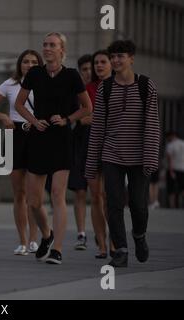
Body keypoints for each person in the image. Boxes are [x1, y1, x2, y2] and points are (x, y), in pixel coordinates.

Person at [14, 32, 92, 265]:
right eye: (45, 45)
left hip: (61, 139)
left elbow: (87, 107)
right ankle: (46, 235)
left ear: (62, 50)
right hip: (38, 138)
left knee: (58, 194)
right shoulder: (35, 73)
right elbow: (19, 103)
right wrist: (34, 120)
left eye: (52, 45)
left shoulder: (71, 76)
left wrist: (68, 119)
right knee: (34, 202)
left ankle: (57, 249)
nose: (47, 48)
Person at [86, 40, 160, 267]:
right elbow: (98, 126)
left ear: (131, 58)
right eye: (114, 57)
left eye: (121, 56)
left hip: (139, 156)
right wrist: (91, 162)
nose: (117, 60)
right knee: (113, 203)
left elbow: (152, 124)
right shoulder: (105, 88)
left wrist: (150, 158)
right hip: (112, 154)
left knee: (138, 204)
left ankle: (139, 236)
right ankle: (121, 250)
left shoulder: (146, 86)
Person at [0, 49, 43, 255]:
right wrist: (3, 117)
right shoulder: (10, 84)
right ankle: (23, 241)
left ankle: (35, 239)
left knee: (35, 194)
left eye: (34, 62)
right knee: (19, 193)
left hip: (37, 135)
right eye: (25, 61)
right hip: (15, 135)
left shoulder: (45, 83)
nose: (29, 65)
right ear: (20, 65)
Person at [85, 50, 115, 259]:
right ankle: (102, 245)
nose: (99, 66)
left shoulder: (121, 87)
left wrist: (97, 116)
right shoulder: (88, 89)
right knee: (95, 197)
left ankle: (115, 242)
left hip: (115, 149)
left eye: (103, 62)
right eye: (96, 63)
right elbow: (83, 119)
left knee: (110, 198)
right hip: (92, 146)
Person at [68, 53, 94, 251]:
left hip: (97, 142)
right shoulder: (75, 91)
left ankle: (102, 234)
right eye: (84, 69)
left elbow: (90, 117)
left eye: (90, 68)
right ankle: (81, 233)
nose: (88, 72)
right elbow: (77, 118)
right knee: (79, 190)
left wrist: (82, 117)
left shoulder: (102, 89)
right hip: (78, 143)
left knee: (99, 193)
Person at [165, 131, 184, 208]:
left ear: (171, 136)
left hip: (174, 168)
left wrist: (171, 171)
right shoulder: (183, 143)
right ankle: (181, 204)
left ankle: (172, 205)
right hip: (182, 168)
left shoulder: (170, 145)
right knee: (182, 188)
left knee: (171, 188)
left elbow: (170, 159)